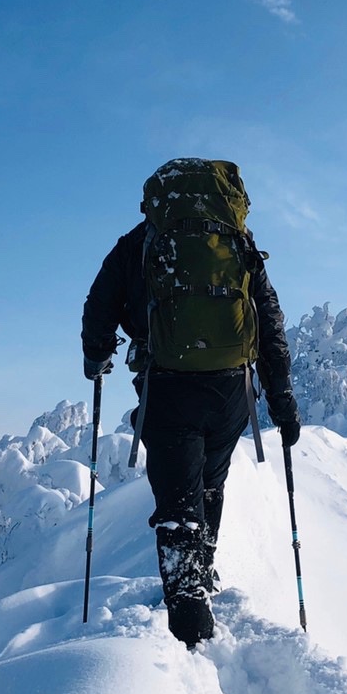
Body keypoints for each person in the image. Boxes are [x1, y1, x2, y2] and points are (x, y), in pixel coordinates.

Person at [82, 158, 301, 648]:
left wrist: (96, 358)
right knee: (210, 483)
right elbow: (269, 320)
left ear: (155, 199)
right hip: (232, 392)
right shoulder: (238, 243)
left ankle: (190, 630)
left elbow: (99, 305)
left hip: (168, 388)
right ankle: (201, 575)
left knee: (178, 503)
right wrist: (283, 400)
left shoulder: (139, 243)